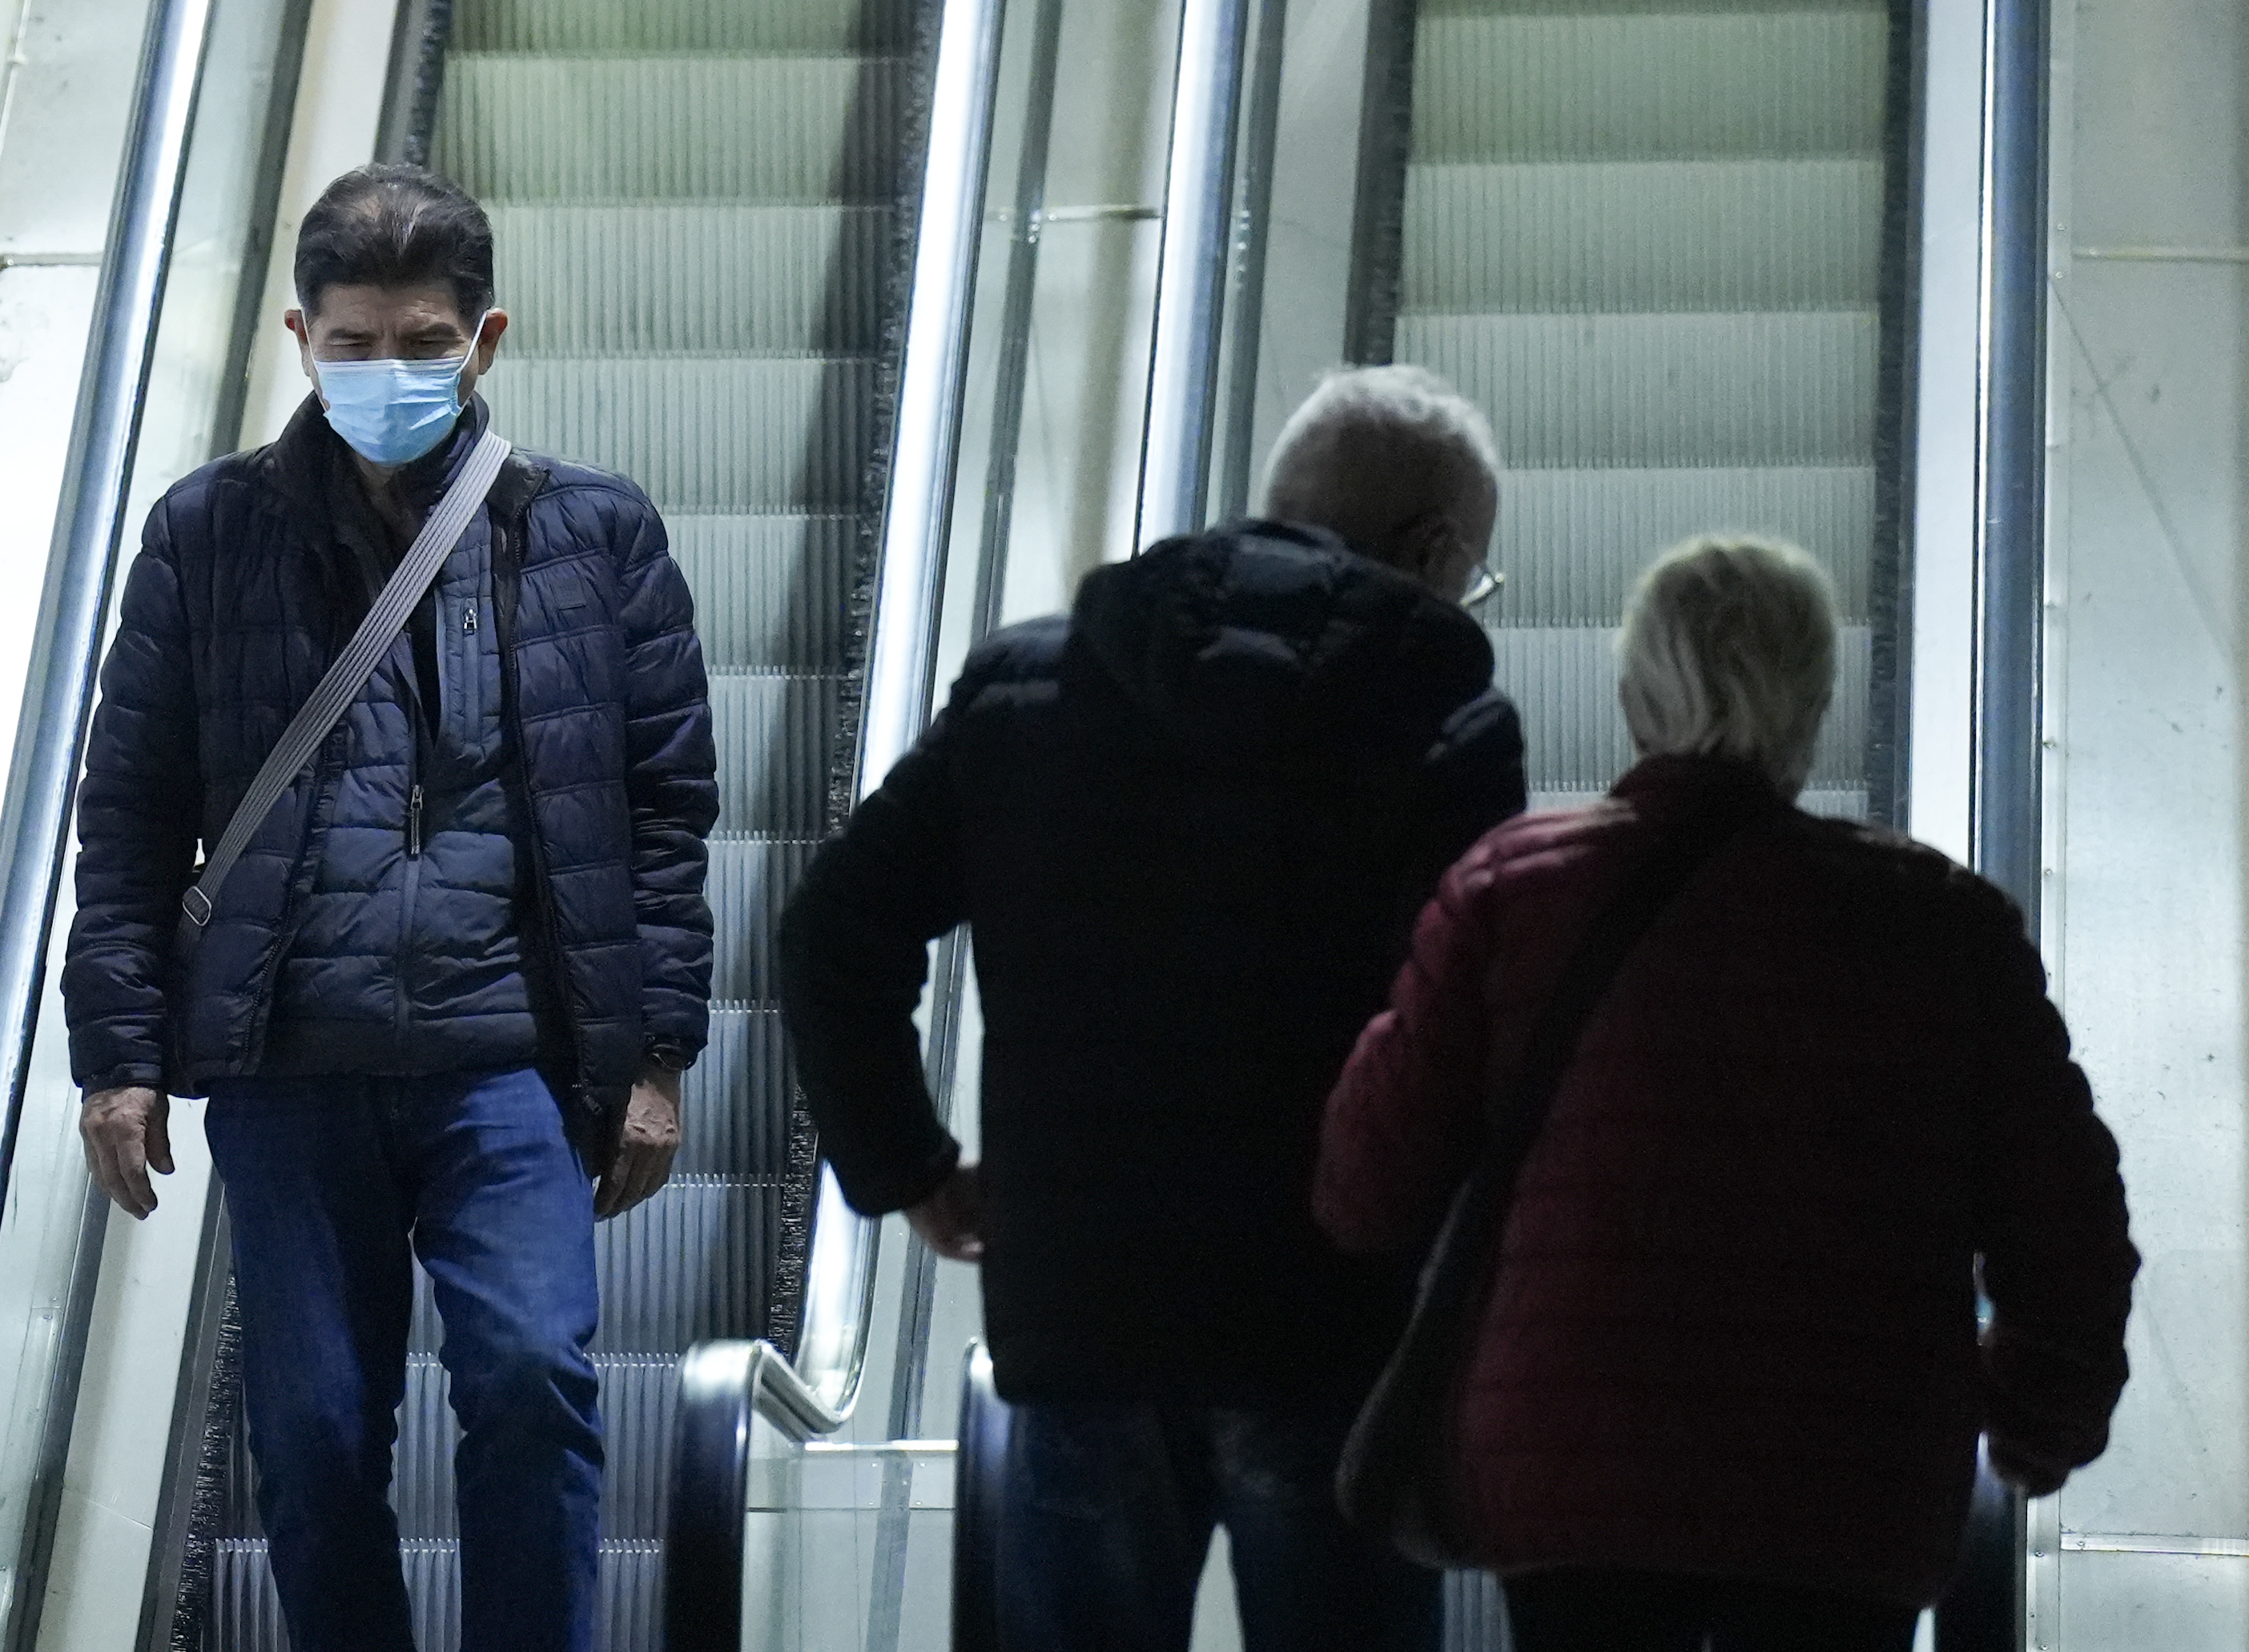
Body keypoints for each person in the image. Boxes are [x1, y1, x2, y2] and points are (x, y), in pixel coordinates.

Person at [60, 163, 716, 1652]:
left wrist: (656, 1055)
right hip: (291, 1060)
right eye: (352, 343)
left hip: (510, 1056)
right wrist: (120, 1055)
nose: (386, 373)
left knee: (532, 1378)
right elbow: (130, 812)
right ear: (300, 337)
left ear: (486, 341)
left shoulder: (592, 533)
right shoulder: (207, 532)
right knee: (312, 1436)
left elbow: (664, 810)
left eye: (422, 343)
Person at [781, 366, 1527, 1650]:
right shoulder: (1442, 722)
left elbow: (829, 929)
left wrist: (909, 1165)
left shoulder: (1030, 686)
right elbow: (1460, 1036)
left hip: (1081, 1313)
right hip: (1326, 1324)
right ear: (1432, 550)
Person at [1314, 536, 2139, 1652]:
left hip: (1574, 1465)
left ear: (1630, 697)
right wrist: (2040, 1416)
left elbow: (1364, 1189)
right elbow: (2069, 1220)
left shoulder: (1513, 890)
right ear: (1816, 706)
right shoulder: (1945, 924)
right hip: (1849, 1484)